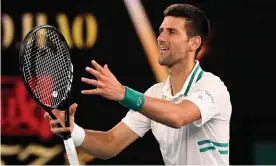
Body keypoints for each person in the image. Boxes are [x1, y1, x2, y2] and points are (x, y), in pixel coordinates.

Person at [45, 3, 232, 165]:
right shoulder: (154, 94)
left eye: (172, 32)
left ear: (194, 43)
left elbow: (178, 116)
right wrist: (73, 130)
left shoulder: (213, 87)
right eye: (161, 31)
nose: (161, 38)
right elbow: (111, 144)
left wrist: (124, 94)